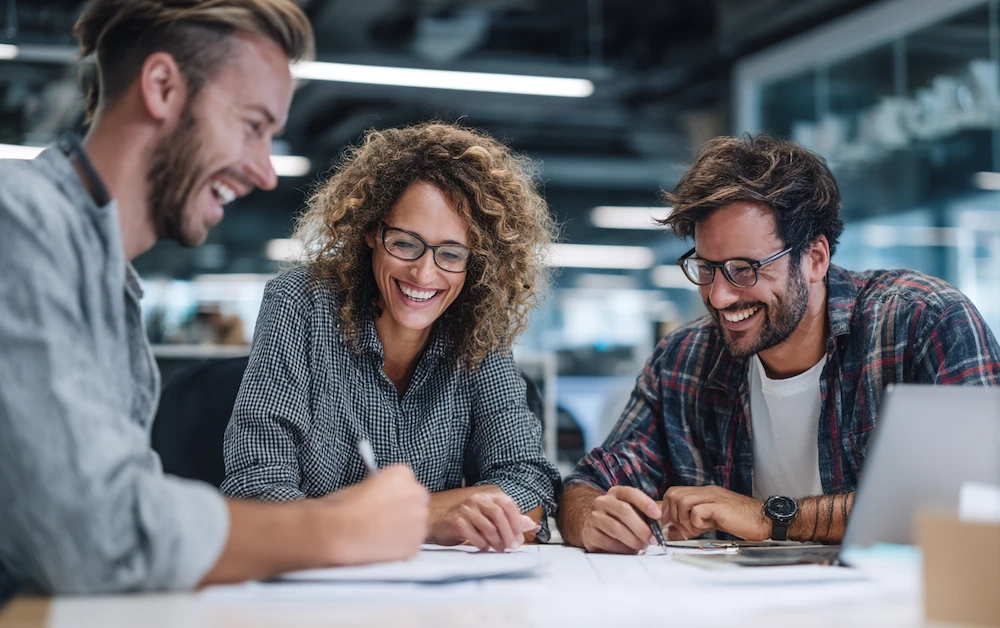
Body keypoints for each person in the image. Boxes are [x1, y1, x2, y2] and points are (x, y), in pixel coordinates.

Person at [0, 0, 429, 604]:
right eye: (252, 125)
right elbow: (96, 535)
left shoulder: (102, 275)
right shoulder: (20, 224)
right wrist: (339, 527)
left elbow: (122, 510)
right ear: (162, 87)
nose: (264, 172)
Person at [557, 134, 1000, 554]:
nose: (719, 296)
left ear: (815, 258)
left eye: (744, 269)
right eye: (706, 268)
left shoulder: (922, 323)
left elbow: (977, 497)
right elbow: (586, 484)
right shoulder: (685, 358)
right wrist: (593, 518)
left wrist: (771, 517)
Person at [221, 122, 562, 551]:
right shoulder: (301, 303)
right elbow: (257, 487)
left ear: (475, 263)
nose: (423, 273)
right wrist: (421, 517)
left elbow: (530, 484)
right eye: (405, 244)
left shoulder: (477, 329)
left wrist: (409, 516)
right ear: (371, 232)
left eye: (451, 254)